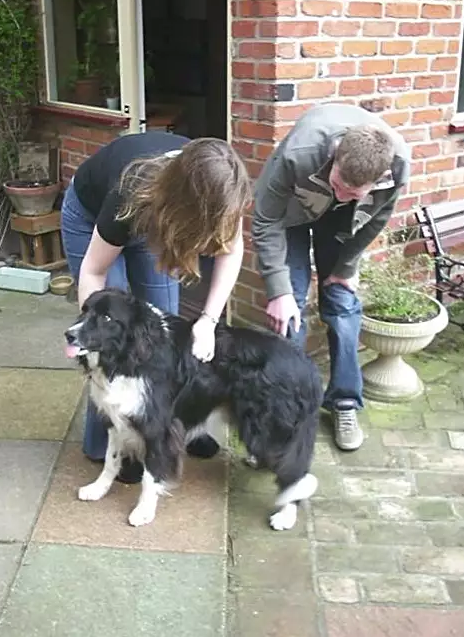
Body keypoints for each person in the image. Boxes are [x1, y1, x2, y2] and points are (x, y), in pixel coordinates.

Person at [61, 131, 251, 481]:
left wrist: (208, 321)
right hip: (94, 217)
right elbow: (93, 271)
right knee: (116, 330)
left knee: (163, 332)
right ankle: (108, 441)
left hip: (157, 215)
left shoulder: (225, 186)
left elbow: (231, 250)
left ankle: (173, 425)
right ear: (188, 208)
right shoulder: (129, 193)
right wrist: (93, 332)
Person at [251, 103, 410, 451]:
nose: (341, 193)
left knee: (341, 303)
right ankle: (285, 413)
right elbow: (265, 220)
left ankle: (344, 403)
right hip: (291, 216)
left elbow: (377, 220)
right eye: (338, 184)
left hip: (341, 222)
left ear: (377, 180)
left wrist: (345, 268)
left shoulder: (397, 167)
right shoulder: (298, 154)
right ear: (335, 156)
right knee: (288, 312)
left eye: (353, 191)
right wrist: (278, 292)